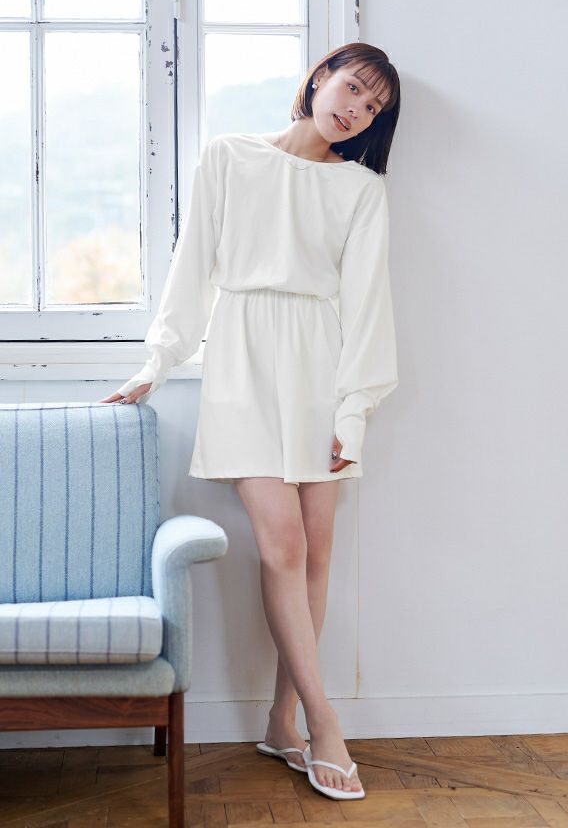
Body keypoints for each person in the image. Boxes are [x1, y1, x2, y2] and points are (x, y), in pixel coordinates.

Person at [100, 42, 400, 801]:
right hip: (241, 365)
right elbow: (192, 269)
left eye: (372, 107)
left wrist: (355, 410)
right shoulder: (230, 156)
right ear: (320, 76)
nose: (356, 110)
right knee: (284, 545)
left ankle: (280, 721)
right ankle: (325, 723)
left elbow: (369, 307)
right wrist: (157, 363)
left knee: (317, 554)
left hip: (319, 369)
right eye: (353, 88)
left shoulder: (362, 189)